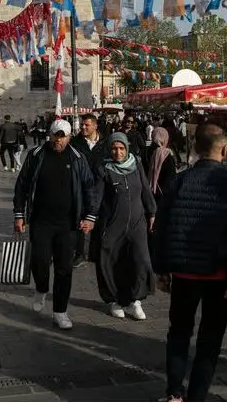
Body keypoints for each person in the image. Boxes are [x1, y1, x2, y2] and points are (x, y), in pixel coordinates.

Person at [152, 123, 227, 403]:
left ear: (195, 149)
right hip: (220, 273)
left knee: (179, 332)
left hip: (184, 271)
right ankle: (197, 394)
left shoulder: (179, 181)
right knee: (210, 338)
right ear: (224, 149)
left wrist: (161, 268)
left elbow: (161, 227)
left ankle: (174, 392)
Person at [13, 119, 97, 330]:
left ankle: (60, 311)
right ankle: (41, 288)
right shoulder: (36, 155)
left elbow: (89, 187)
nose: (59, 140)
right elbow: (22, 185)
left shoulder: (78, 157)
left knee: (64, 269)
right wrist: (19, 214)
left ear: (69, 137)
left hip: (68, 224)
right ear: (49, 135)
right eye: (56, 135)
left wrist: (90, 216)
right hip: (41, 221)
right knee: (40, 261)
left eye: (63, 136)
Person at [91, 132, 156, 320]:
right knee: (109, 260)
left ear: (127, 148)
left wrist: (152, 211)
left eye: (121, 148)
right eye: (114, 148)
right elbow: (97, 196)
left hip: (137, 223)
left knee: (141, 259)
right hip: (113, 224)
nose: (117, 152)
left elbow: (145, 188)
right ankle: (115, 300)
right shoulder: (104, 169)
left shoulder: (136, 164)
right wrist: (90, 217)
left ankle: (136, 300)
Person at [70, 113, 106, 268]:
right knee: (80, 217)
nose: (83, 127)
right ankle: (79, 253)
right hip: (81, 185)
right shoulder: (75, 143)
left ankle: (95, 252)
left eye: (87, 125)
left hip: (101, 185)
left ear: (95, 126)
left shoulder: (105, 142)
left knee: (99, 219)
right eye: (82, 125)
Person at [148, 126, 177, 200]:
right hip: (163, 191)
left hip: (148, 190)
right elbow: (171, 174)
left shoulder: (145, 151)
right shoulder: (166, 153)